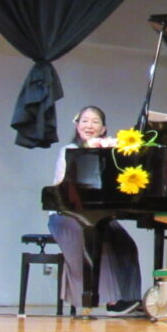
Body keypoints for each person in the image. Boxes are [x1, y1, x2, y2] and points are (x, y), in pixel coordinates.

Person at [48, 105, 143, 315]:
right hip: (66, 215)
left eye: (95, 122)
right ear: (77, 125)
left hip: (94, 213)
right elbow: (64, 190)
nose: (89, 125)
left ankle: (130, 298)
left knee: (125, 244)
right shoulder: (69, 151)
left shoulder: (110, 153)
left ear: (103, 129)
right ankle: (111, 300)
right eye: (84, 121)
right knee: (98, 243)